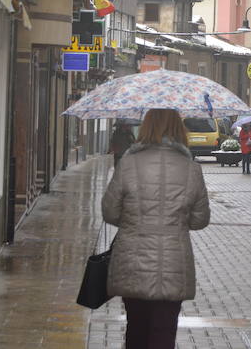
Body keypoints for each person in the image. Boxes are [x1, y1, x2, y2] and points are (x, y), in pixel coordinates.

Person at [102, 109, 210, 349]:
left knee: (136, 329)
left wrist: (134, 220)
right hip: (173, 262)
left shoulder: (128, 163)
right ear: (179, 129)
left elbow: (109, 211)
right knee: (164, 332)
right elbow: (200, 220)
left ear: (146, 127)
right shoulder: (191, 168)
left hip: (132, 261)